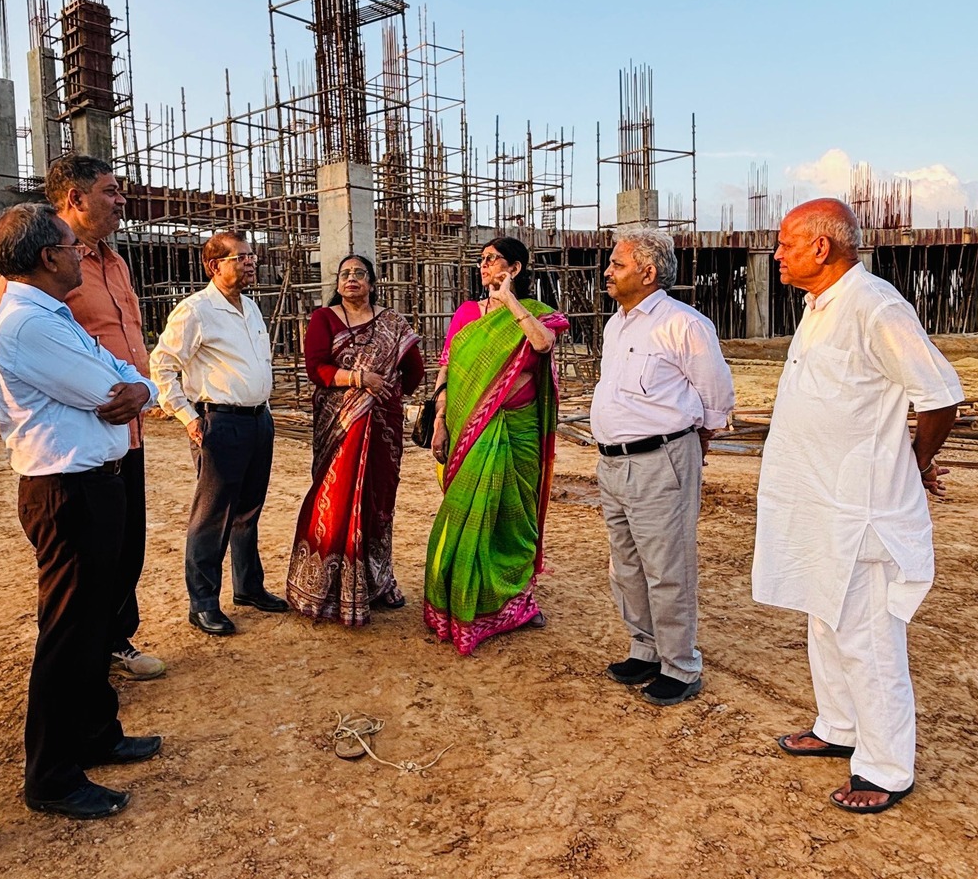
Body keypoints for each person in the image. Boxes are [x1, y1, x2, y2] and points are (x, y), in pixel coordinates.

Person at [752, 199, 961, 814]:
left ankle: (885, 766)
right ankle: (838, 726)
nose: (777, 253)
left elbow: (940, 395)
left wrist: (912, 463)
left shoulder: (875, 305)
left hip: (860, 508)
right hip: (818, 500)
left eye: (786, 243)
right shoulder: (821, 306)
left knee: (868, 637)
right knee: (825, 617)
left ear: (821, 247)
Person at [0, 205, 164, 820]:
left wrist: (140, 388)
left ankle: (94, 733)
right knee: (68, 632)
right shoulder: (28, 324)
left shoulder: (52, 315)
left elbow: (132, 378)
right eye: (69, 245)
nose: (78, 253)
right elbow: (108, 389)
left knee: (92, 623)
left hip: (93, 483)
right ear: (47, 257)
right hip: (66, 488)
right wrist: (134, 388)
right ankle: (52, 775)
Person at [0, 154, 164, 679]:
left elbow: (124, 348)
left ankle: (113, 640)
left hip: (126, 426)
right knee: (84, 562)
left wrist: (140, 389)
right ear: (75, 199)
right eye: (111, 191)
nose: (121, 200)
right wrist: (82, 382)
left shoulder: (114, 262)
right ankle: (86, 659)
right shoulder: (36, 272)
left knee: (124, 547)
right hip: (85, 429)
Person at [591, 229, 736, 706]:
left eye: (617, 264)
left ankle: (680, 665)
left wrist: (693, 445)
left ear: (648, 273)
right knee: (626, 566)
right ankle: (645, 649)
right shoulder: (617, 326)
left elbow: (716, 397)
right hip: (613, 463)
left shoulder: (684, 325)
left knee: (667, 566)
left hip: (661, 460)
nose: (608, 272)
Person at [423, 236, 571, 653]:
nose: (484, 265)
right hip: (470, 429)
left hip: (520, 430)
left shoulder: (536, 312)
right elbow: (448, 369)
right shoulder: (467, 315)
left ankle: (514, 603)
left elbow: (542, 344)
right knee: (465, 514)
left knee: (516, 520)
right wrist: (439, 420)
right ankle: (458, 604)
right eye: (482, 260)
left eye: (492, 259)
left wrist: (509, 302)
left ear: (515, 268)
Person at [150, 231, 287, 635]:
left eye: (251, 256)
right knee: (212, 516)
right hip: (220, 422)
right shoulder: (196, 310)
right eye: (240, 257)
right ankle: (203, 603)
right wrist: (188, 417)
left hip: (258, 420)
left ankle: (248, 587)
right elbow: (162, 365)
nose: (251, 262)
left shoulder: (250, 307)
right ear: (214, 266)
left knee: (249, 510)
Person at [285, 254, 424, 624]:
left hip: (382, 426)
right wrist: (361, 380)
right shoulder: (324, 318)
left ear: (372, 283)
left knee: (378, 503)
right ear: (337, 283)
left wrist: (388, 397)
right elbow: (315, 368)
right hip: (339, 423)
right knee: (334, 499)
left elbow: (414, 370)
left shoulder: (392, 322)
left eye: (359, 273)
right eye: (344, 274)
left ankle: (379, 580)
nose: (351, 279)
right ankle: (325, 587)